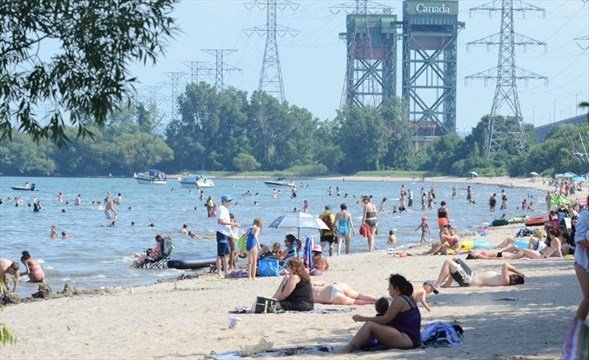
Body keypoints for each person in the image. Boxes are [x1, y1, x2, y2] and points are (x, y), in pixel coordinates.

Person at [341, 274, 421, 353]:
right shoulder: (409, 298)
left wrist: (362, 318)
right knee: (373, 324)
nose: (388, 289)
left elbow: (385, 319)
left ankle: (347, 350)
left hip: (407, 340)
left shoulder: (399, 300)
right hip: (414, 339)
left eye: (389, 287)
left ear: (396, 289)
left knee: (369, 325)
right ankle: (352, 347)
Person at [434, 258, 525, 288]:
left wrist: (519, 272)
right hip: (471, 274)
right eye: (514, 274)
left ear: (513, 282)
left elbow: (505, 264)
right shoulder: (504, 279)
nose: (512, 275)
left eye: (514, 276)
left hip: (469, 280)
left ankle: (437, 285)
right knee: (455, 260)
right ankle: (448, 284)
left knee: (448, 262)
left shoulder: (506, 281)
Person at [572, 195, 589, 322]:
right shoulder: (585, 215)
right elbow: (579, 239)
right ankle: (576, 332)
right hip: (583, 262)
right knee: (588, 298)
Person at [216, 195, 239, 278]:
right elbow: (220, 221)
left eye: (230, 201)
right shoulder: (221, 208)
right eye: (229, 201)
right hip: (221, 233)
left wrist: (232, 232)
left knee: (227, 254)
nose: (230, 202)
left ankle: (226, 272)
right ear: (224, 201)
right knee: (220, 255)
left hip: (226, 234)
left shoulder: (225, 209)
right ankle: (219, 273)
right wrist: (233, 223)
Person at [311, 281, 376, 305]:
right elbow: (323, 282)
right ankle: (378, 299)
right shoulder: (309, 284)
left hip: (331, 298)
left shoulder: (303, 296)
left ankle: (374, 302)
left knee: (354, 301)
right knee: (358, 295)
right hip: (334, 287)